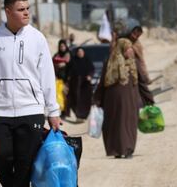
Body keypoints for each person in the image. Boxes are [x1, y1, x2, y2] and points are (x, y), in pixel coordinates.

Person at [0, 0, 61, 187]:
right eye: (21, 9)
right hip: (1, 111)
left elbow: (47, 76)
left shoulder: (37, 38)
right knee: (2, 156)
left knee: (26, 160)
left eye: (27, 9)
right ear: (7, 12)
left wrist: (53, 111)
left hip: (31, 109)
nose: (26, 13)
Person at [93, 23, 154, 158]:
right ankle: (116, 150)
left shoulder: (133, 64)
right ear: (121, 48)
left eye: (131, 48)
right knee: (114, 125)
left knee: (129, 125)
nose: (130, 51)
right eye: (127, 48)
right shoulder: (110, 64)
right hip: (112, 103)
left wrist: (149, 98)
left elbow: (142, 82)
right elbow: (102, 83)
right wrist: (97, 100)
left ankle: (127, 149)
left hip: (131, 103)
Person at [65, 47, 95, 121]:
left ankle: (83, 116)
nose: (80, 53)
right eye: (79, 52)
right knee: (75, 100)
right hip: (75, 84)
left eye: (81, 52)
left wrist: (90, 76)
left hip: (85, 85)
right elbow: (69, 71)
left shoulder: (87, 60)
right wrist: (68, 81)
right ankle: (78, 116)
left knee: (85, 101)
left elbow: (92, 69)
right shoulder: (73, 60)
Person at [52, 38, 71, 114]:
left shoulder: (69, 55)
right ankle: (60, 110)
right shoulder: (56, 55)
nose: (62, 48)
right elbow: (52, 64)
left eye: (63, 46)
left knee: (65, 95)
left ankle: (65, 111)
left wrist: (65, 64)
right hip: (58, 79)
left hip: (66, 79)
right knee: (58, 95)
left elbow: (71, 66)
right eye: (60, 46)